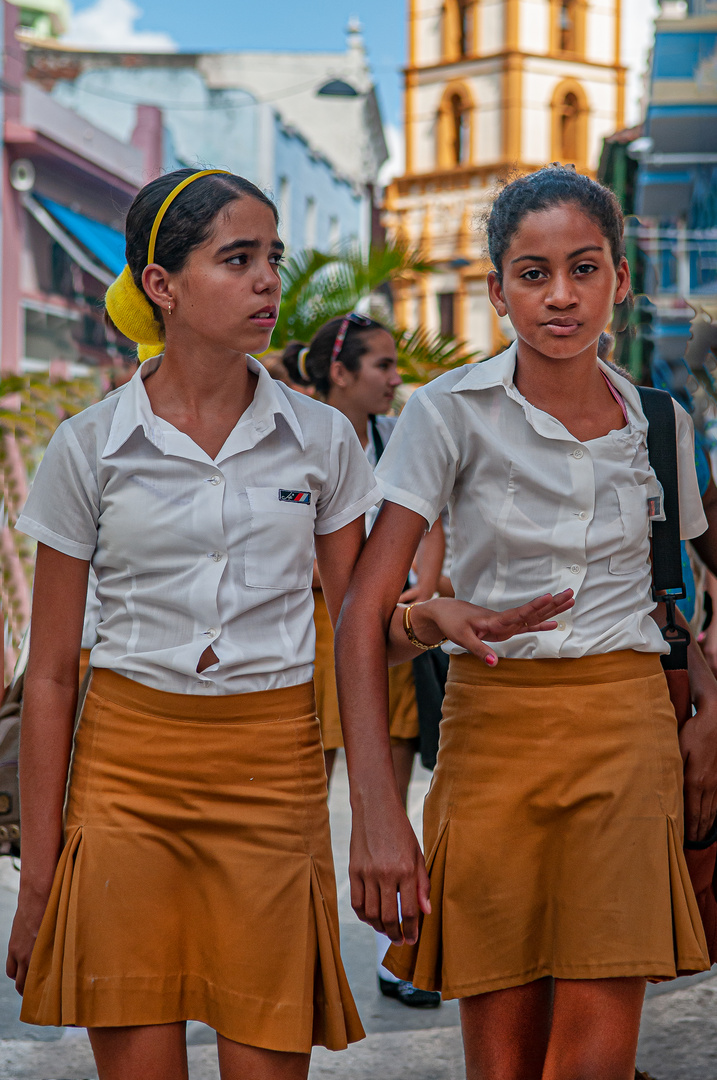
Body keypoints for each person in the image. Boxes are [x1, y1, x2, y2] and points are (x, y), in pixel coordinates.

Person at [334, 165, 717, 1080]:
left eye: (583, 268)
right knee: (500, 1063)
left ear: (619, 280)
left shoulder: (659, 423)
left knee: (589, 1059)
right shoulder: (446, 412)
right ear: (497, 288)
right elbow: (361, 618)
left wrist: (710, 700)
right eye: (531, 273)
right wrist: (378, 816)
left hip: (625, 737)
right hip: (491, 737)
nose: (560, 296)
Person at [6, 167, 385, 1080]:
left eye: (273, 259)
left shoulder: (323, 440)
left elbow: (361, 634)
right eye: (238, 259)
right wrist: (44, 876)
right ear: (160, 286)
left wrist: (379, 810)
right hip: (124, 780)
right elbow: (51, 673)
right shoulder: (88, 447)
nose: (268, 282)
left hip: (272, 780)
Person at [284, 316, 445, 1008]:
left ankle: (398, 952)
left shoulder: (394, 435)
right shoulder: (294, 435)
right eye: (381, 364)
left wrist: (424, 584)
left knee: (394, 790)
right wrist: (347, 581)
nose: (393, 378)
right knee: (305, 799)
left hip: (390, 626)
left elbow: (432, 517)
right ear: (339, 372)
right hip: (317, 629)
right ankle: (293, 945)